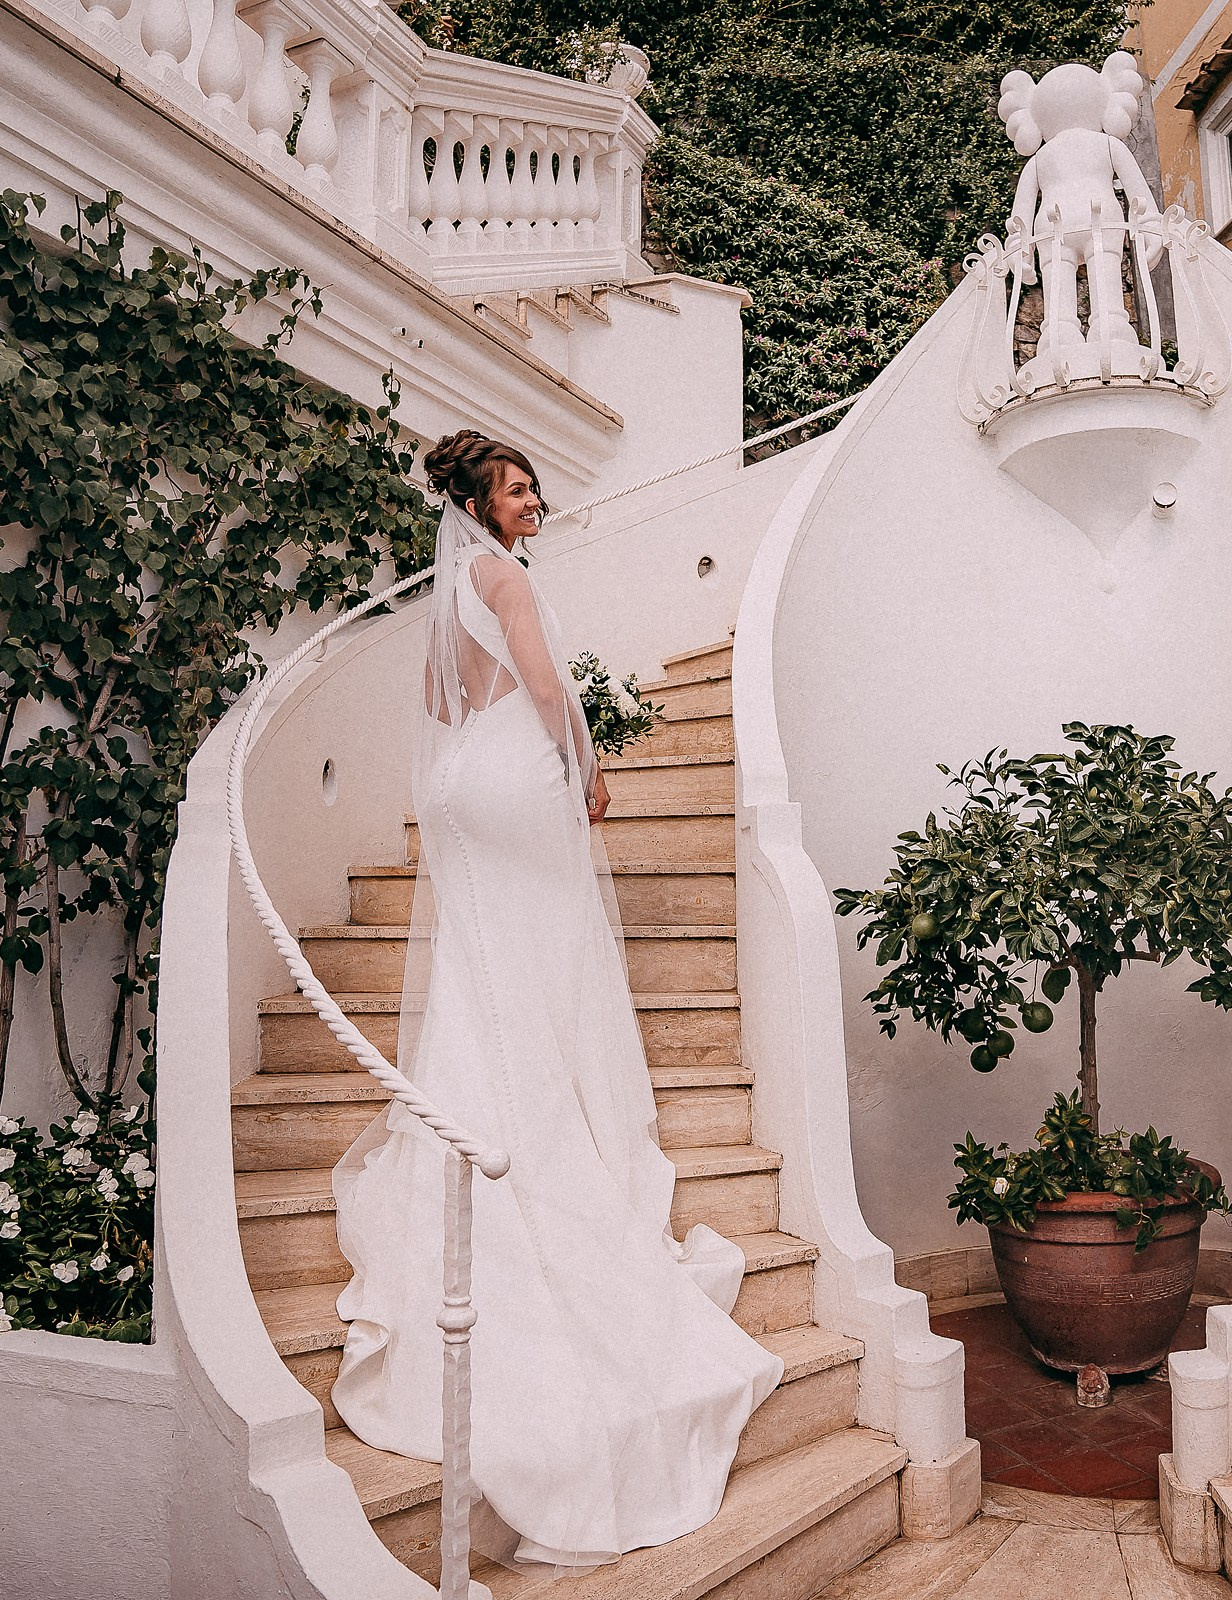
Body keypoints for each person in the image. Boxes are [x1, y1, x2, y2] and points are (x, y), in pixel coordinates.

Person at [330, 430, 782, 1570]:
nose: (535, 501)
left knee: (486, 960)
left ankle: (475, 1105)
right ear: (482, 504)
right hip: (516, 780)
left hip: (457, 784)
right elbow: (542, 687)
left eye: (533, 486)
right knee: (545, 951)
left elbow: (440, 697)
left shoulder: (449, 591)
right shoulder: (507, 579)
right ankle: (542, 1122)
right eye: (518, 488)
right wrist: (587, 764)